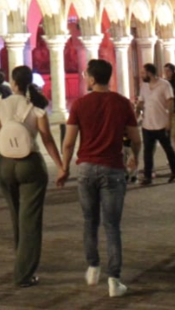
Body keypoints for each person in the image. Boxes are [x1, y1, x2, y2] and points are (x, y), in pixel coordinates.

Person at [58, 59, 140, 297]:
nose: (85, 78)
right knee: (112, 225)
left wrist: (64, 168)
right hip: (113, 168)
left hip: (86, 167)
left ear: (92, 79)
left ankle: (93, 265)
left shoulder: (80, 104)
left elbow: (69, 142)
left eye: (86, 75)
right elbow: (136, 138)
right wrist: (136, 157)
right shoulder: (123, 103)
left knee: (89, 221)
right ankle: (114, 279)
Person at [0, 65, 63, 288]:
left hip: (5, 164)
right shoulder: (35, 107)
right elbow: (47, 139)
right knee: (31, 220)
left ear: (13, 83)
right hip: (30, 163)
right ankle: (24, 272)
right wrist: (61, 165)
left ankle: (21, 258)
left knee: (16, 215)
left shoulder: (0, 106)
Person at [136, 63, 175, 184]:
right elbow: (141, 102)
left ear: (150, 73)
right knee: (147, 152)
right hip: (147, 124)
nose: (141, 75)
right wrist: (136, 114)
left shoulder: (164, 85)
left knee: (168, 149)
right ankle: (148, 176)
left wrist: (169, 121)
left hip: (162, 123)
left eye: (143, 73)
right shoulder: (144, 86)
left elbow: (170, 102)